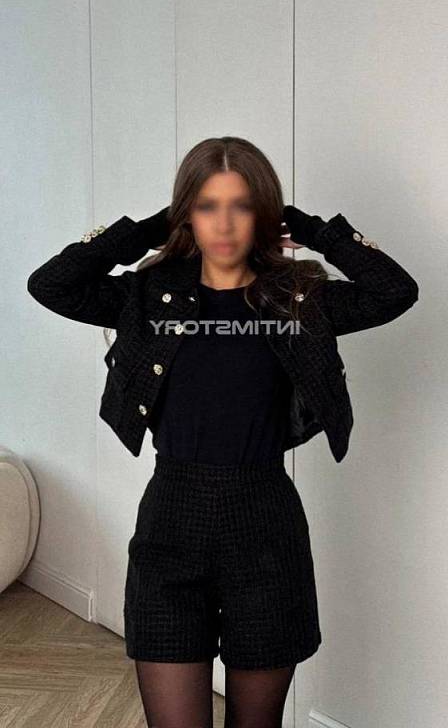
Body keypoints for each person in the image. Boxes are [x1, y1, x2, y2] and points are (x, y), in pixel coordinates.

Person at [27, 136, 419, 728]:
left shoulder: (298, 298)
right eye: (208, 205)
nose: (225, 223)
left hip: (266, 531)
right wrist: (148, 229)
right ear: (187, 212)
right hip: (170, 526)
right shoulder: (148, 295)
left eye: (243, 206)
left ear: (264, 214)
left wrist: (312, 229)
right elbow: (51, 284)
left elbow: (396, 291)